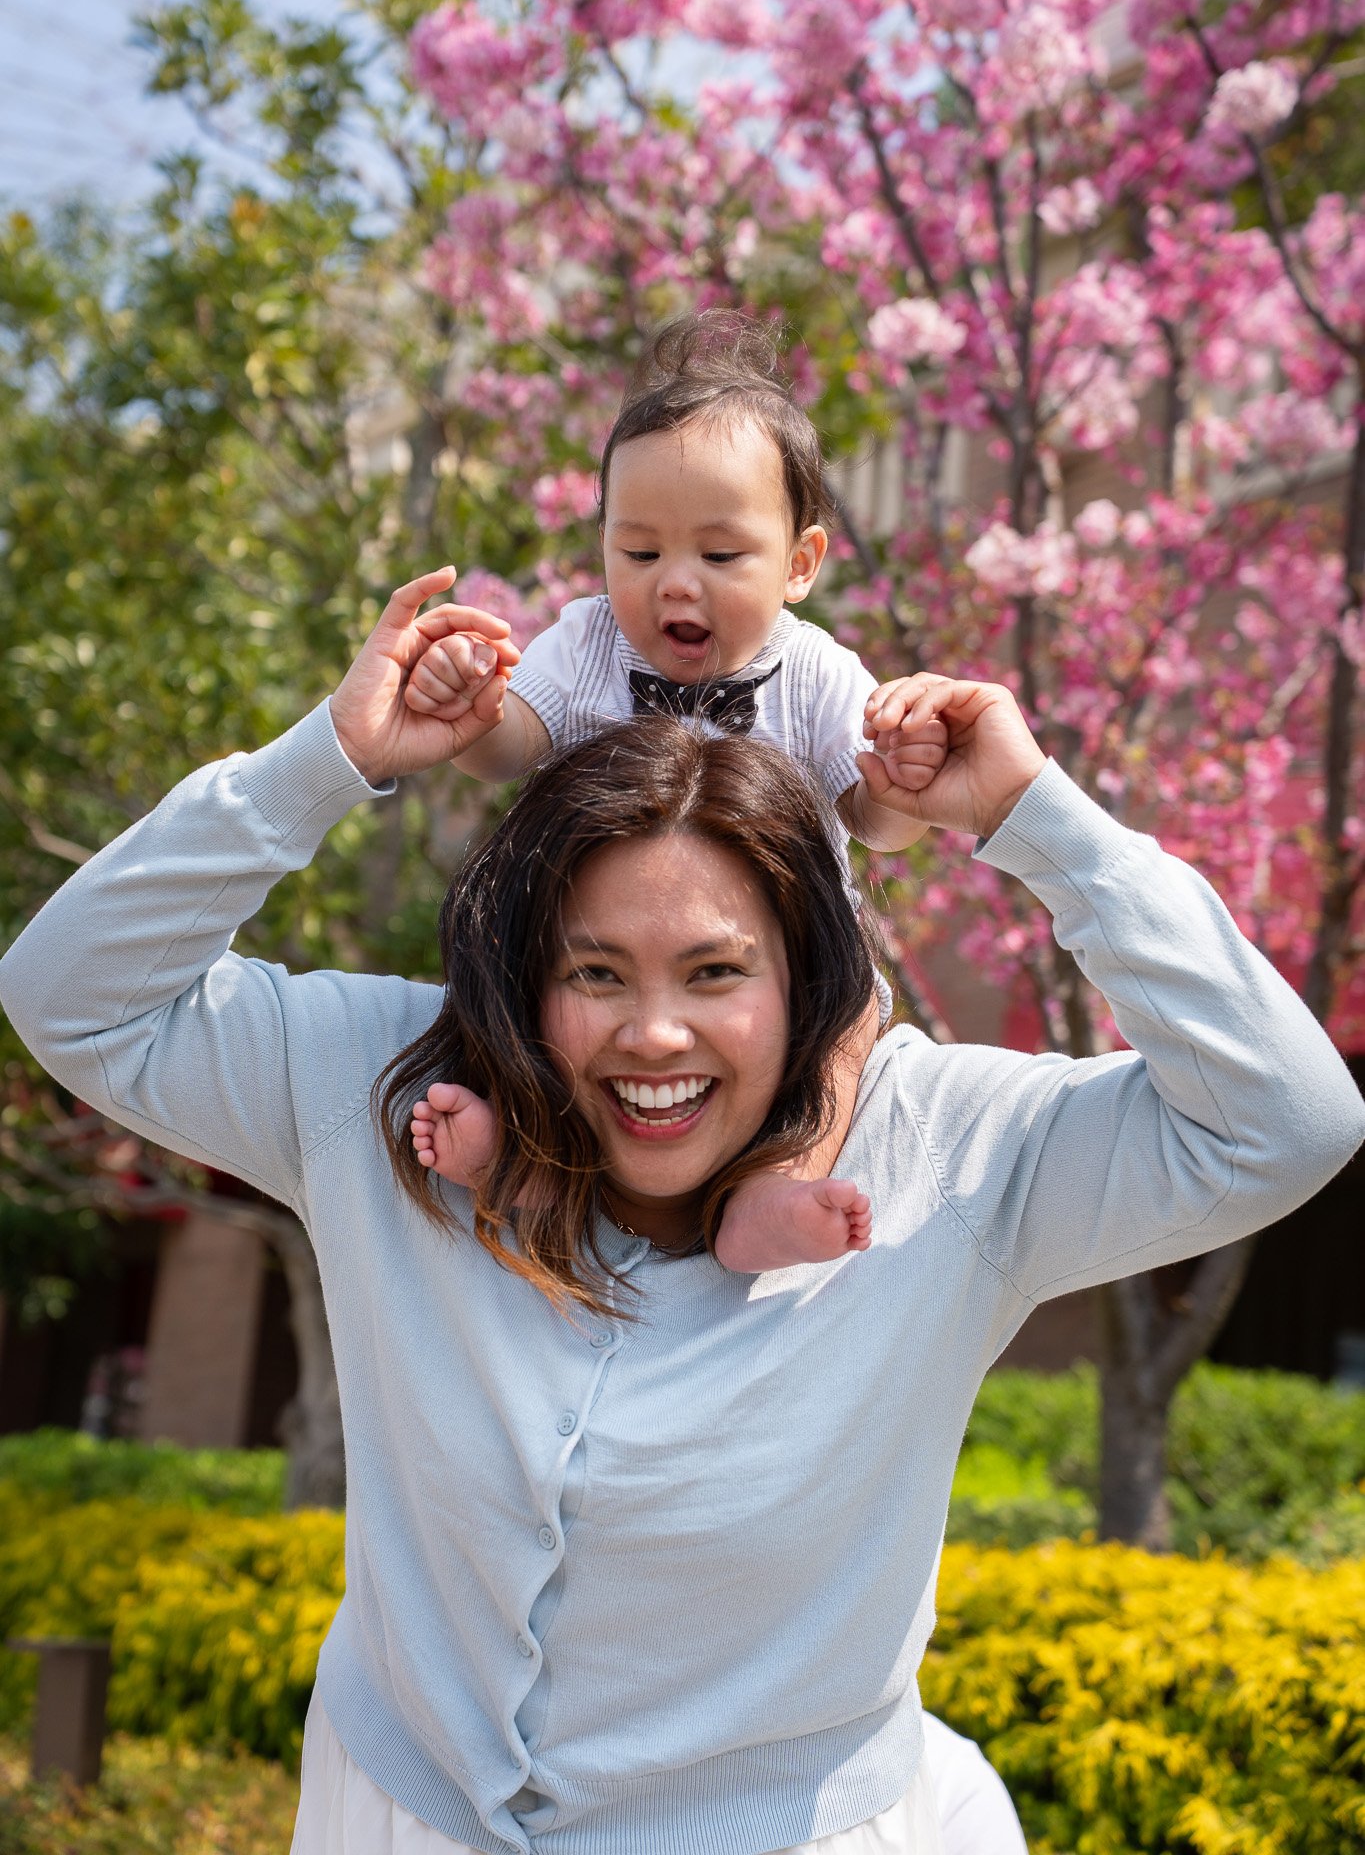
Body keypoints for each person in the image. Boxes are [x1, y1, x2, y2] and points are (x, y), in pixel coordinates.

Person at [2, 572, 1361, 1855]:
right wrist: (327, 761)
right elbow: (70, 994)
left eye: (718, 971)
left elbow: (1286, 1120)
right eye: (593, 971)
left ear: (809, 973)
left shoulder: (950, 1153)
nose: (654, 1036)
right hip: (391, 1807)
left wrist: (1035, 818)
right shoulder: (401, 1091)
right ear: (524, 976)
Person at [402, 313, 948, 1275]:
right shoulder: (585, 643)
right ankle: (521, 1155)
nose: (675, 586)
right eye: (640, 554)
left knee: (849, 1032)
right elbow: (510, 746)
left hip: (784, 960)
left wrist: (899, 776)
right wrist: (473, 708)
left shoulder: (818, 673)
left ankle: (771, 1186)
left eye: (721, 556)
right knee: (518, 963)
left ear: (801, 564)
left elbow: (880, 826)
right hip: (599, 934)